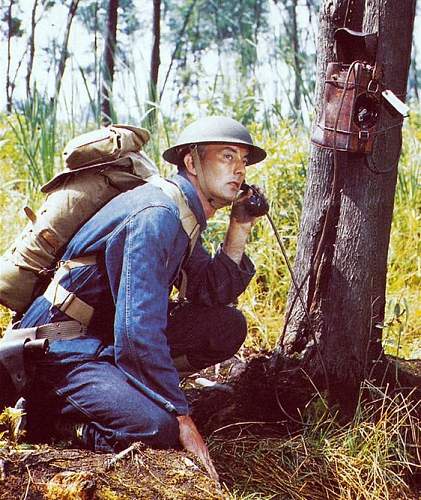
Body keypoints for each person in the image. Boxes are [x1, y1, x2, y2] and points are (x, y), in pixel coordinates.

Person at [16, 116, 267, 480]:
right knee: (156, 427)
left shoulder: (183, 213)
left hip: (103, 339)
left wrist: (240, 225)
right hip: (57, 348)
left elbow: (210, 293)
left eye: (243, 160)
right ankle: (47, 420)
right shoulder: (158, 215)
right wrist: (181, 416)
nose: (240, 170)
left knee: (226, 326)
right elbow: (137, 332)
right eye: (227, 157)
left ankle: (127, 392)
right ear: (192, 163)